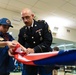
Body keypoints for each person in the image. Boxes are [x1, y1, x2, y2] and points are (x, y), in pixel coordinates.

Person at [18, 8, 53, 75]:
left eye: (27, 17)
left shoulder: (42, 25)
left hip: (44, 57)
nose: (25, 20)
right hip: (30, 59)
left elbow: (48, 41)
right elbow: (20, 46)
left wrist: (34, 50)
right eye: (23, 18)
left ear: (32, 16)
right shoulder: (22, 31)